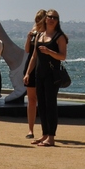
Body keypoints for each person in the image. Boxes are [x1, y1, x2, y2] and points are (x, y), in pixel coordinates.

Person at [28, 9, 68, 147]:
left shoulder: (60, 37)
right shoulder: (39, 34)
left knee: (51, 105)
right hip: (39, 74)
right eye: (49, 17)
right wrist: (28, 73)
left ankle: (51, 137)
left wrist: (50, 52)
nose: (52, 19)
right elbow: (34, 56)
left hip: (52, 75)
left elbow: (63, 56)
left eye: (55, 18)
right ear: (45, 19)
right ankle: (44, 134)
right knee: (42, 105)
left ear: (58, 21)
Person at [22, 10, 46, 139]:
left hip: (42, 67)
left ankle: (45, 130)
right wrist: (28, 37)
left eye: (39, 20)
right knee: (31, 99)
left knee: (43, 100)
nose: (37, 23)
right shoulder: (34, 32)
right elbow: (27, 50)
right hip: (30, 66)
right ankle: (30, 129)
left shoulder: (47, 35)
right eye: (36, 20)